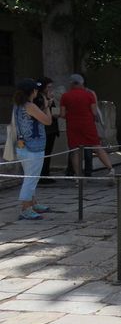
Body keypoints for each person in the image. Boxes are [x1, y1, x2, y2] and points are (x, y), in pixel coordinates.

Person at [12, 78, 52, 220]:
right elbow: (47, 121)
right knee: (31, 178)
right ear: (33, 91)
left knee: (30, 176)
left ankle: (32, 203)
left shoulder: (17, 105)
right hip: (33, 148)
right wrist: (47, 106)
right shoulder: (30, 106)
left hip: (23, 146)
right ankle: (25, 208)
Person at [60, 74, 114, 177]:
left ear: (71, 83)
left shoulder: (65, 96)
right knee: (97, 147)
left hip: (73, 125)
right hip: (88, 124)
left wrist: (70, 114)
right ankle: (110, 169)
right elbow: (94, 112)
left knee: (75, 150)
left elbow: (62, 114)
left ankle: (78, 176)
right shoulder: (89, 95)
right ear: (82, 83)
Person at [34, 77, 59, 184]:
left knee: (48, 152)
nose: (50, 89)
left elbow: (53, 111)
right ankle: (42, 175)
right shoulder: (37, 98)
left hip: (51, 128)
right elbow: (40, 113)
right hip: (44, 129)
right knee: (43, 153)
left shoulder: (48, 97)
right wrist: (47, 104)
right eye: (48, 87)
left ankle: (46, 173)